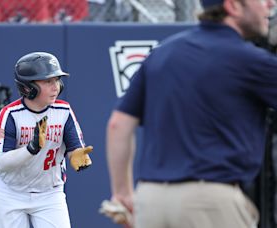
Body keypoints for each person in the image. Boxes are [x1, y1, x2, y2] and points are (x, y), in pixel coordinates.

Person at [105, 0, 277, 227]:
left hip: (151, 202)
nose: (270, 4)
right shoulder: (252, 60)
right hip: (210, 204)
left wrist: (122, 193)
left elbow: (118, 125)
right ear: (233, 6)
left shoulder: (163, 53)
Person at [0, 52, 93, 228]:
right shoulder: (10, 114)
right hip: (10, 193)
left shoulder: (64, 111)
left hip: (49, 194)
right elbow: (1, 163)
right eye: (47, 81)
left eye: (56, 80)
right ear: (28, 87)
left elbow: (74, 147)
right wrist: (31, 148)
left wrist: (77, 154)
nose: (56, 87)